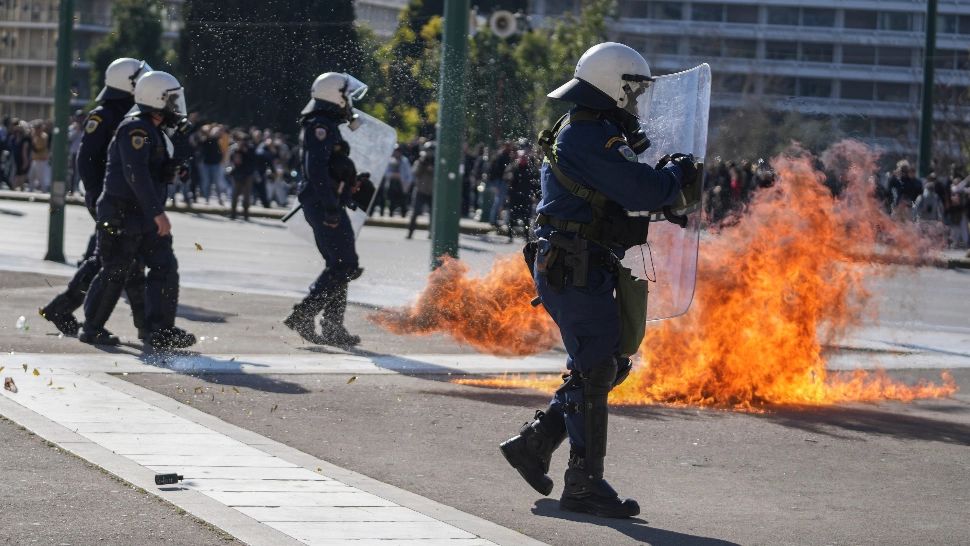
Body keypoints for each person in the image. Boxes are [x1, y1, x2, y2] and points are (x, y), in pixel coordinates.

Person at [498, 42, 696, 518]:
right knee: (596, 370)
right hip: (573, 264)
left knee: (604, 364)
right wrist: (676, 177)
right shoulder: (588, 135)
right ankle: (583, 484)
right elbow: (639, 190)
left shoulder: (595, 129)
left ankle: (536, 443)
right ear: (615, 86)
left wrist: (668, 179)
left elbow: (629, 194)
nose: (637, 100)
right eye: (634, 90)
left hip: (583, 262)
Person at [80, 70, 196, 349]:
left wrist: (173, 167)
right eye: (171, 100)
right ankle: (92, 328)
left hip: (141, 215)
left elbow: (151, 169)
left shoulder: (152, 129)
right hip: (123, 214)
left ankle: (160, 330)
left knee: (165, 266)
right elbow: (136, 175)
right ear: (156, 99)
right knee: (115, 270)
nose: (175, 106)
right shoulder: (135, 128)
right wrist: (158, 212)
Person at [39, 58, 152, 338]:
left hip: (120, 198)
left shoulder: (129, 112)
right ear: (129, 84)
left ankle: (146, 325)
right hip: (108, 198)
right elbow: (86, 160)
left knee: (123, 258)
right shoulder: (103, 115)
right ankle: (141, 325)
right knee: (118, 258)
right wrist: (98, 197)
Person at [283, 72, 368, 348]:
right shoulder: (319, 125)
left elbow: (329, 167)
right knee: (345, 264)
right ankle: (305, 314)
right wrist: (331, 207)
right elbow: (316, 170)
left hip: (325, 202)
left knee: (339, 265)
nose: (349, 103)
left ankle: (332, 326)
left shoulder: (326, 124)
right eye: (347, 96)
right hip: (322, 204)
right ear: (335, 95)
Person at [406, 141, 435, 239]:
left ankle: (432, 233)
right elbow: (414, 172)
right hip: (420, 190)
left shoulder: (437, 162)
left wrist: (433, 168)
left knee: (433, 214)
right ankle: (410, 232)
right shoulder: (421, 161)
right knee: (415, 213)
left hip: (432, 191)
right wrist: (423, 165)